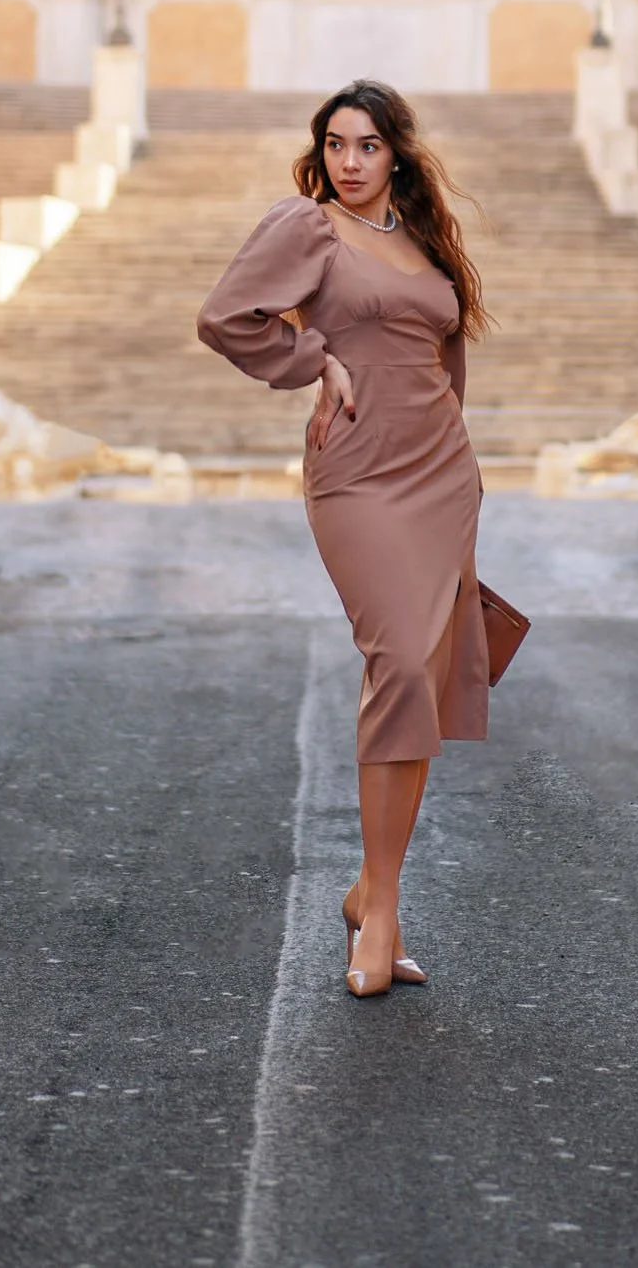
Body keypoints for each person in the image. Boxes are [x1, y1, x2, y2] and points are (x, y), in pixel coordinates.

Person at [197, 78, 490, 1000]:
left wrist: (453, 449)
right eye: (335, 146)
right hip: (357, 474)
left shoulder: (424, 238)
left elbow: (446, 353)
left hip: (440, 473)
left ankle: (375, 891)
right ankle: (386, 905)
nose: (349, 163)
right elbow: (224, 319)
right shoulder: (308, 227)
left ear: (396, 152)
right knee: (398, 662)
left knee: (420, 682)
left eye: (366, 146)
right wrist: (312, 361)